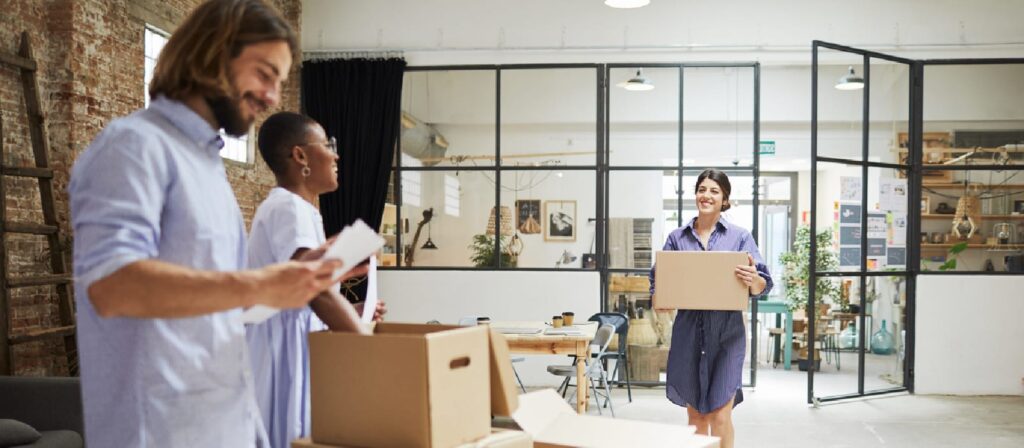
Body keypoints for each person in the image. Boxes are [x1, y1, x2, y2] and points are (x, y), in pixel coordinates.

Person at [68, 1, 365, 446]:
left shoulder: (209, 170)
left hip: (225, 424)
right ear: (214, 54)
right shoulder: (132, 147)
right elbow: (112, 287)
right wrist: (263, 284)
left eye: (278, 84)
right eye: (265, 74)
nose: (270, 98)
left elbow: (224, 308)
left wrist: (303, 277)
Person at [246, 111, 386, 447]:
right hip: (282, 352)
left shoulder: (300, 209)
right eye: (328, 145)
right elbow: (314, 291)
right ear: (300, 156)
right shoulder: (288, 208)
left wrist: (354, 311)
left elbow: (304, 291)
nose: (336, 155)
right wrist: (371, 349)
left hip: (293, 345)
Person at [649, 169, 772, 448]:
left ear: (724, 198)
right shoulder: (677, 238)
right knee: (696, 419)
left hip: (727, 337)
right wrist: (661, 299)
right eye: (702, 189)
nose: (707, 195)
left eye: (714, 191)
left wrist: (754, 280)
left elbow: (763, 284)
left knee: (720, 417)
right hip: (689, 336)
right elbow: (659, 283)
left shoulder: (740, 237)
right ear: (696, 194)